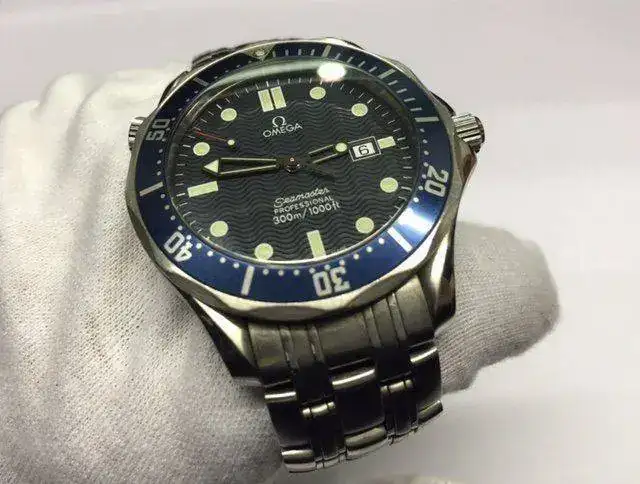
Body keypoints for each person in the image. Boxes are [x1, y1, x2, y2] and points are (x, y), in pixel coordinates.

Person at [0, 66, 558, 484]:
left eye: (295, 162)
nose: (291, 166)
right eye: (281, 165)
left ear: (461, 141)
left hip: (395, 275)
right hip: (257, 310)